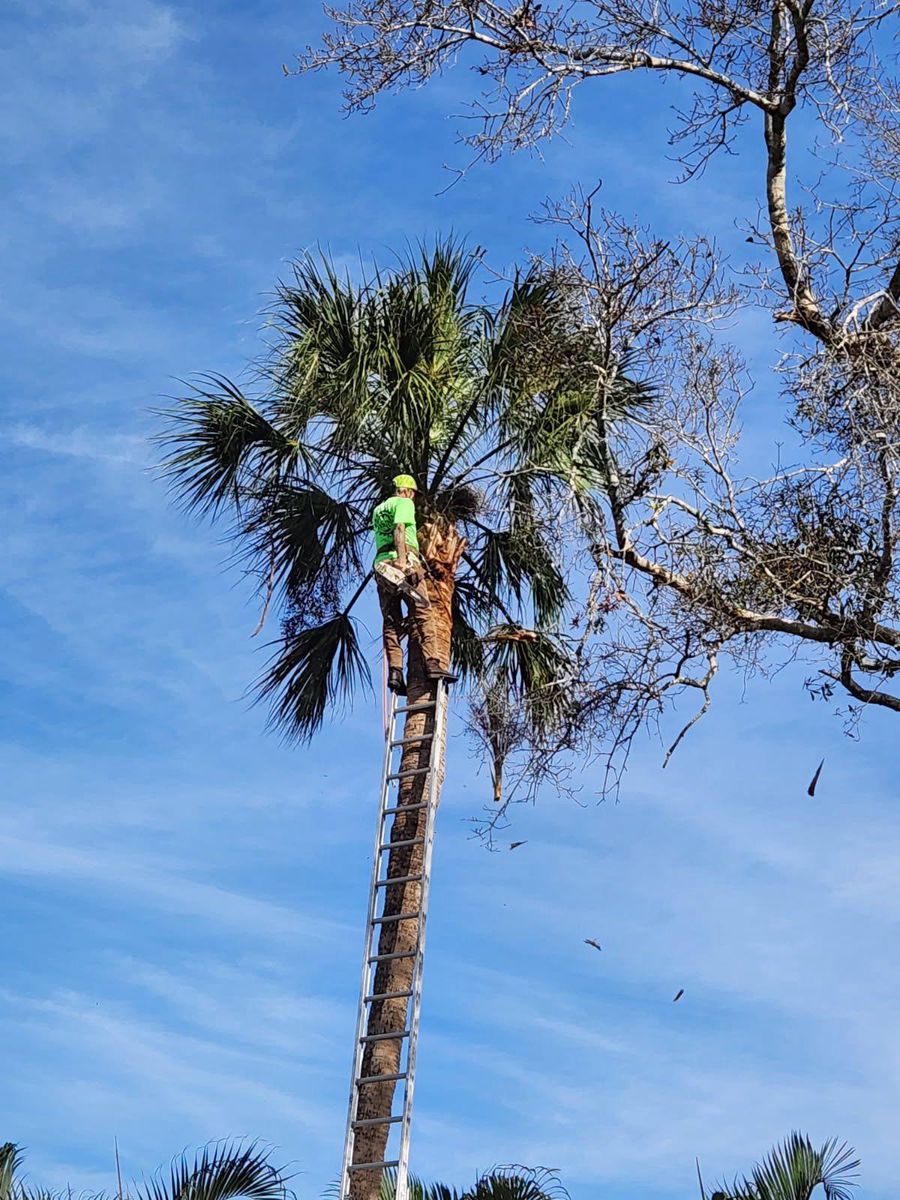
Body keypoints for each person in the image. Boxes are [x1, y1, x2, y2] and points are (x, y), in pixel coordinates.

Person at [372, 475, 454, 695]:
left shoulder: (379, 509)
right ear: (407, 491)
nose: (414, 499)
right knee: (423, 612)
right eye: (414, 494)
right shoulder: (404, 502)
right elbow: (399, 528)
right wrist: (402, 561)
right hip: (405, 562)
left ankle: (396, 673)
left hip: (381, 567)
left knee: (391, 622)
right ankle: (432, 663)